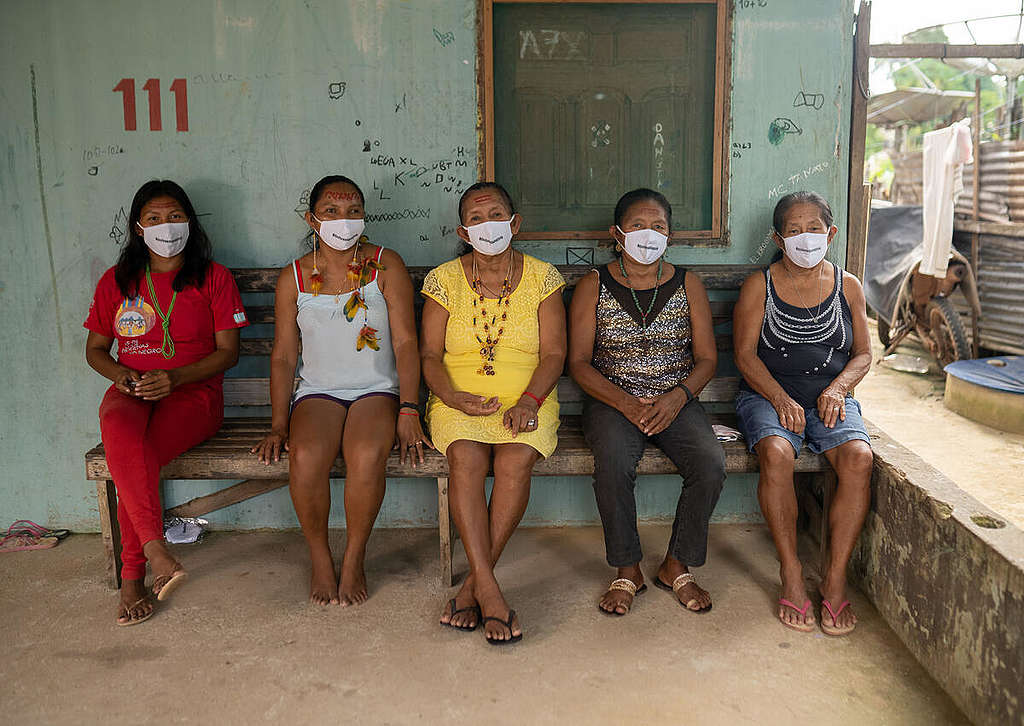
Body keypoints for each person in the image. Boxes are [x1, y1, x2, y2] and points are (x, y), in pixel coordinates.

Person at [252, 175, 429, 606]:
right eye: (331, 212)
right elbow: (282, 355)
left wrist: (409, 408)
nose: (343, 221)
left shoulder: (386, 264)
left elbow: (406, 341)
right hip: (318, 393)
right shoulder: (293, 277)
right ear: (312, 219)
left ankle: (354, 556)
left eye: (353, 212)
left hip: (377, 391)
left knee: (367, 454)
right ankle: (319, 557)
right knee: (307, 455)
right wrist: (279, 424)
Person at [85, 180, 248, 625]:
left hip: (194, 394)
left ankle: (133, 573)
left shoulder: (213, 278)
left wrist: (174, 377)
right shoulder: (118, 281)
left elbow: (228, 353)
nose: (166, 227)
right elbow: (95, 349)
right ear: (138, 228)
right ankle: (157, 550)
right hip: (131, 390)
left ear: (190, 223)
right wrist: (121, 374)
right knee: (120, 431)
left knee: (138, 456)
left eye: (174, 216)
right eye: (154, 219)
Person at [568, 188, 726, 616]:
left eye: (658, 226)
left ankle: (676, 565)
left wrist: (678, 397)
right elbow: (579, 363)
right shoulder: (593, 285)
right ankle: (627, 569)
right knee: (615, 463)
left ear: (669, 235)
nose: (648, 234)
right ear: (617, 233)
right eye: (637, 226)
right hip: (610, 400)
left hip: (676, 399)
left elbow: (708, 358)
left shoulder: (687, 283)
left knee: (710, 464)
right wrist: (625, 403)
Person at [421, 182, 566, 644]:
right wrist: (452, 397)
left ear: (514, 223)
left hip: (528, 396)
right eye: (477, 218)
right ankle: (489, 589)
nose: (488, 225)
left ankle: (472, 587)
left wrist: (530, 401)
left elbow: (555, 354)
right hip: (457, 398)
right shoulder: (443, 280)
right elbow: (427, 355)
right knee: (466, 456)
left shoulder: (543, 278)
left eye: (496, 214)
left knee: (515, 459)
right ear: (464, 231)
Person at [733, 190, 873, 636]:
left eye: (814, 229)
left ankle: (833, 579)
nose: (805, 238)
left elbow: (864, 355)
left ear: (830, 233)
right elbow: (745, 356)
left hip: (830, 396)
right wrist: (779, 399)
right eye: (794, 231)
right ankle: (791, 571)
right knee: (776, 452)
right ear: (778, 237)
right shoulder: (761, 285)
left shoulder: (848, 285)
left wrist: (839, 388)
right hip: (768, 394)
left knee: (858, 458)